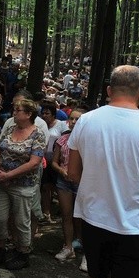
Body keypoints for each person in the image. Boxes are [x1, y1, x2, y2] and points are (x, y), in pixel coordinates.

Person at [68, 65, 139, 278]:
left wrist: (97, 187)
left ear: (109, 90)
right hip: (136, 223)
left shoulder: (85, 121)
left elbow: (72, 173)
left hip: (94, 218)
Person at [0, 99, 47, 270]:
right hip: (2, 182)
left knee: (21, 221)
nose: (14, 113)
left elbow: (34, 162)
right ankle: (0, 248)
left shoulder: (37, 134)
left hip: (23, 185)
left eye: (18, 110)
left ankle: (23, 252)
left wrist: (9, 175)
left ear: (29, 114)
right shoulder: (9, 128)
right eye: (14, 109)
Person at [51, 109, 87, 266]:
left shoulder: (89, 141)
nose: (73, 122)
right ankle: (68, 246)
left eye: (77, 119)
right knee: (66, 215)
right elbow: (54, 161)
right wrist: (61, 170)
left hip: (82, 182)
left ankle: (87, 250)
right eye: (71, 119)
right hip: (64, 181)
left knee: (83, 217)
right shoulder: (63, 140)